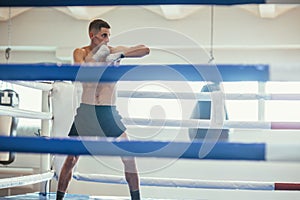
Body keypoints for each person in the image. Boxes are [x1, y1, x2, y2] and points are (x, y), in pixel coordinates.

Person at [56, 19, 150, 200]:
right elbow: (79, 70)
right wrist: (100, 59)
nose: (107, 40)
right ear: (92, 35)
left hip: (108, 112)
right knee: (71, 159)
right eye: (103, 35)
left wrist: (120, 55)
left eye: (109, 35)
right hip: (87, 111)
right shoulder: (81, 52)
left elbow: (145, 50)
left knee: (128, 159)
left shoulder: (113, 51)